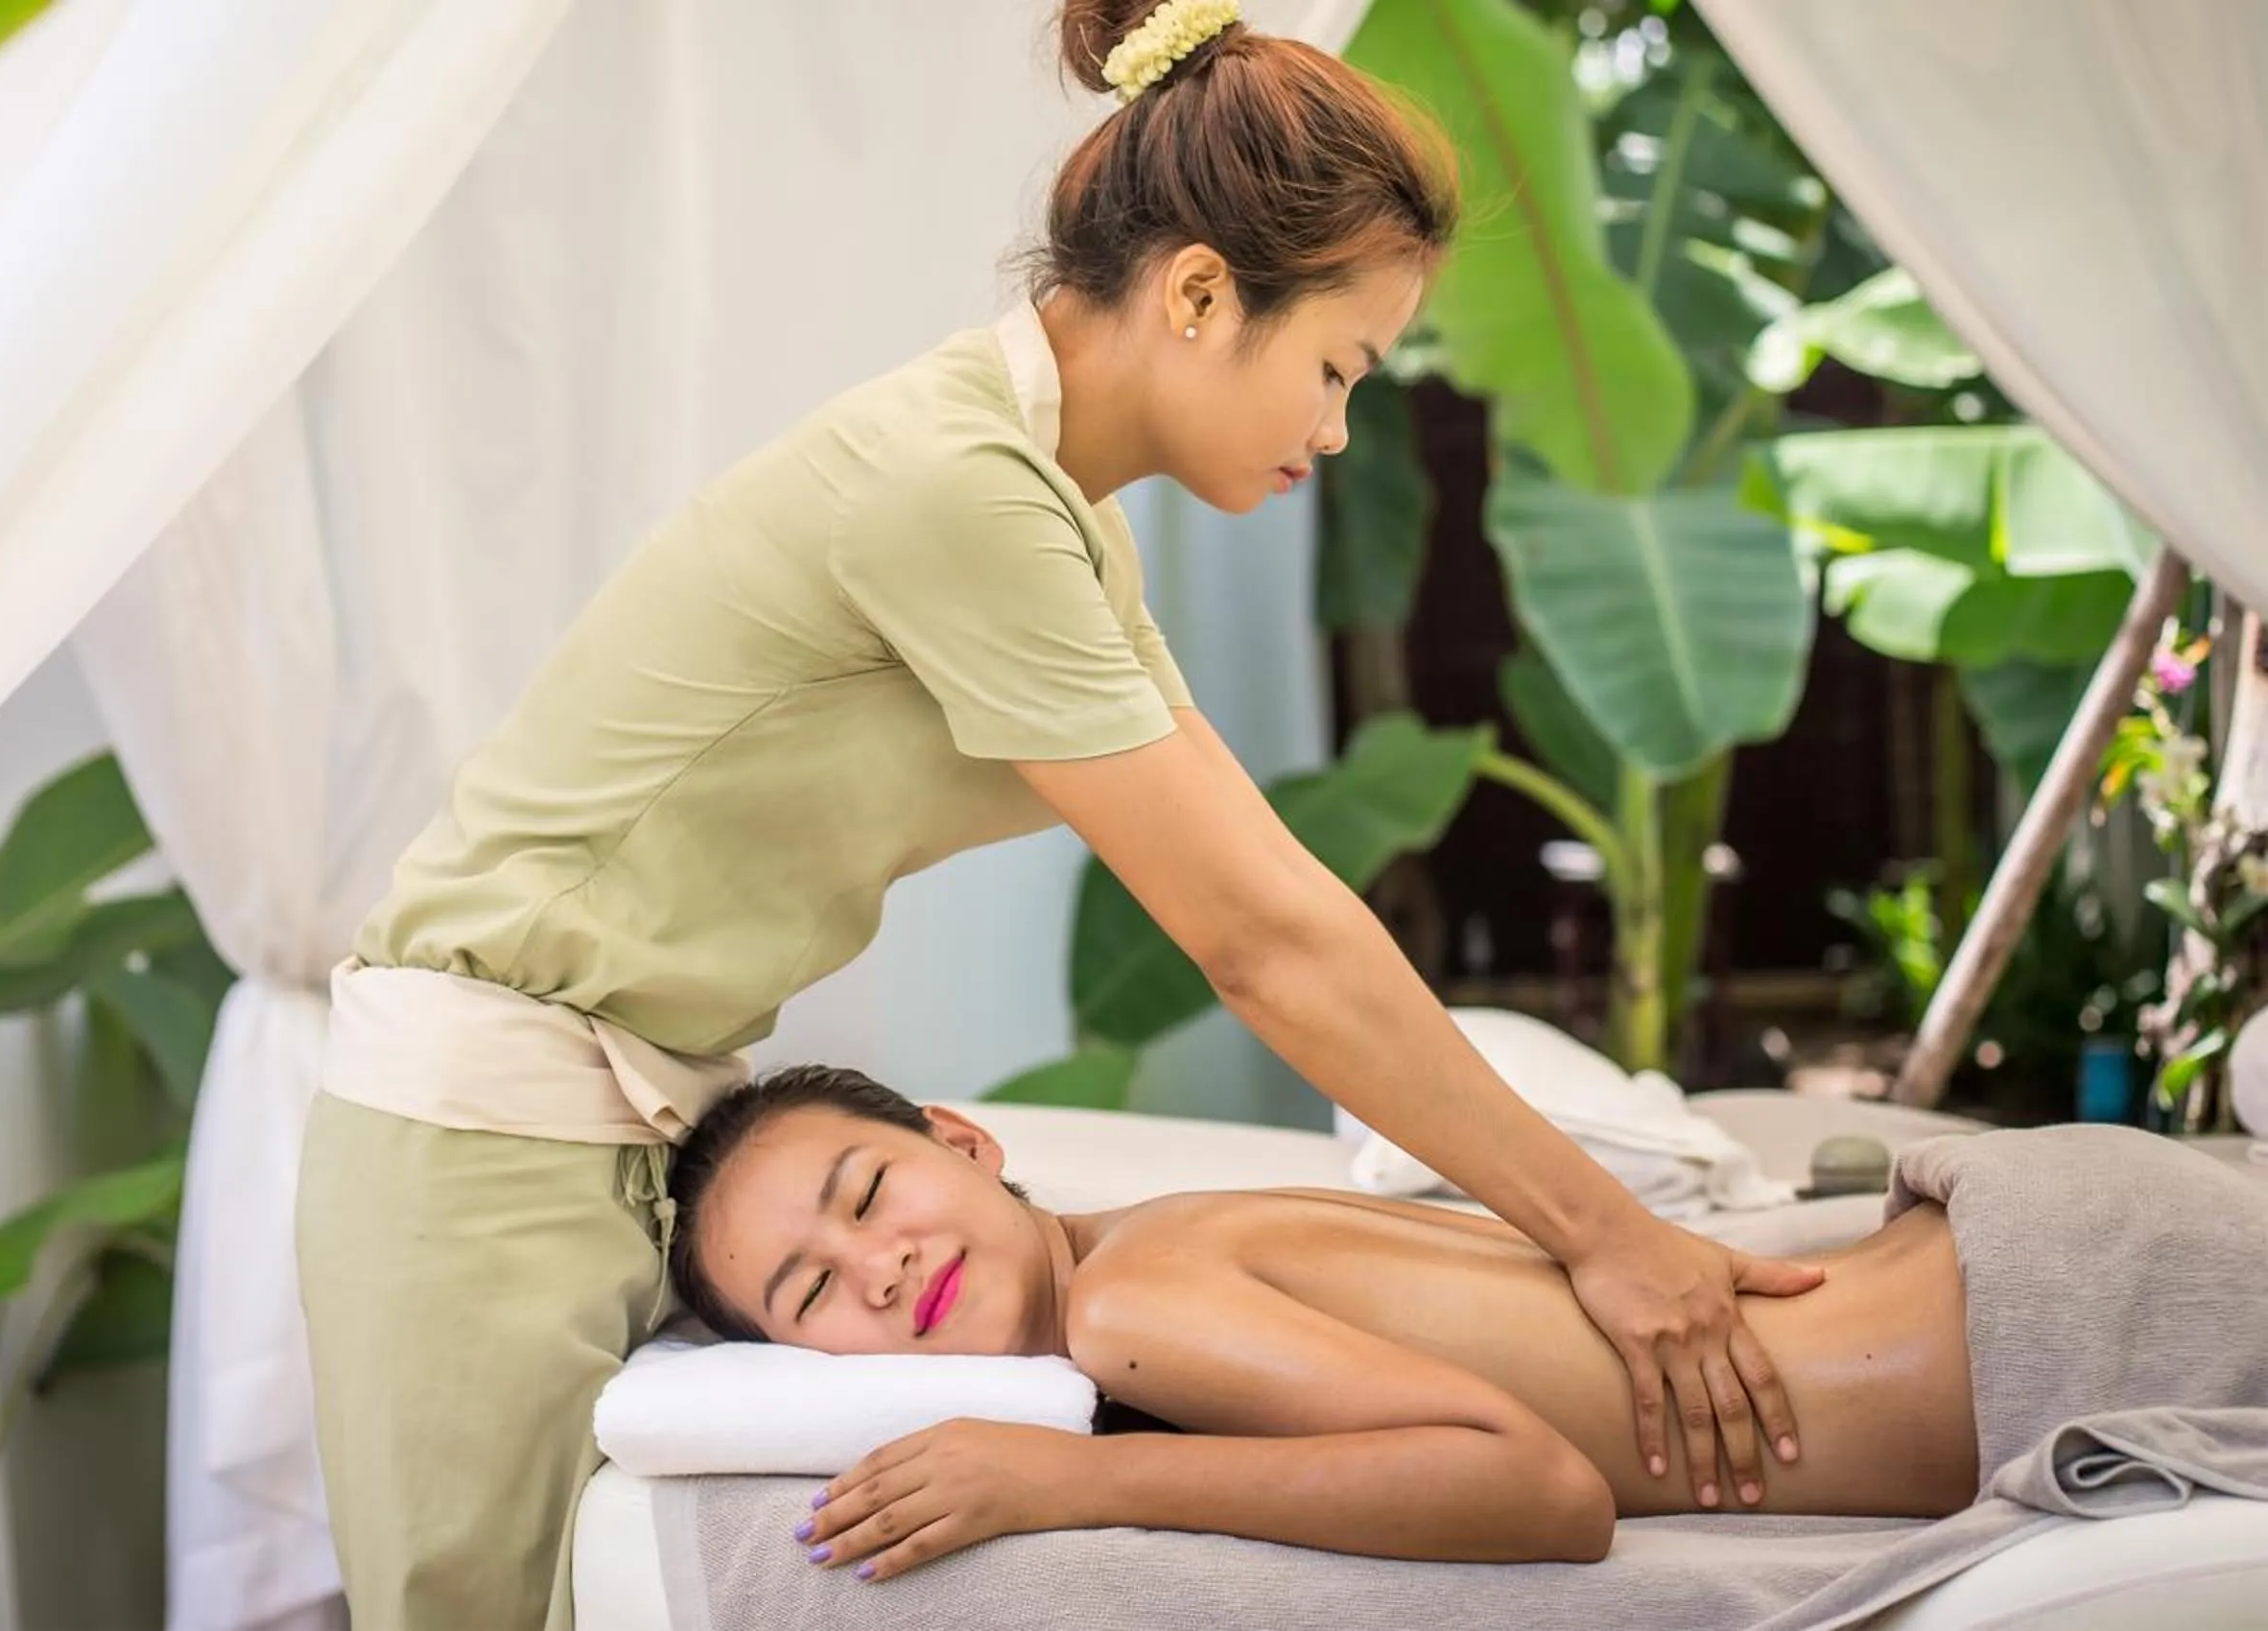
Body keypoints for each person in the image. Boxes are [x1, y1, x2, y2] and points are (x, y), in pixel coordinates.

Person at [296, 3, 1822, 1627]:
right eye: (1334, 367)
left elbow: (1265, 885)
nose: (1334, 428)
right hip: (481, 1141)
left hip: (623, 1128)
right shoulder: (954, 489)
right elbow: (1262, 943)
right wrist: (1607, 1237)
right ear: (1195, 294)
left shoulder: (1058, 521)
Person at [663, 1065, 2268, 1579]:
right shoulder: (1158, 1246)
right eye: (811, 1294)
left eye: (869, 1195)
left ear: (963, 1138)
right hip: (2020, 1252)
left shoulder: (1131, 1305)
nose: (874, 1270)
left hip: (2062, 1320)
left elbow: (1542, 1493)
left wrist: (1075, 1481)